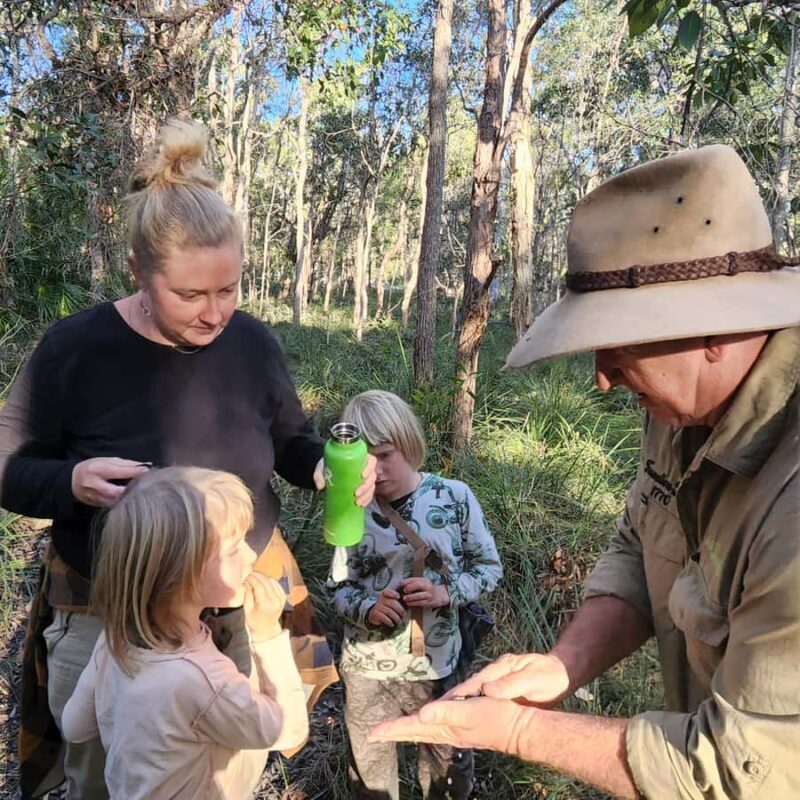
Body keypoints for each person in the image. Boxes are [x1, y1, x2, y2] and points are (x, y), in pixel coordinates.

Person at [369, 144, 800, 799]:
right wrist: (561, 665)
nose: (602, 378)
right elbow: (643, 544)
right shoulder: (680, 405)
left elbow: (743, 772)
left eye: (619, 345)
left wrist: (519, 731)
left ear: (716, 331)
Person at [0, 118, 375, 798]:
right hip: (112, 619)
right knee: (103, 772)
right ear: (138, 272)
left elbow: (290, 441)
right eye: (190, 295)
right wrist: (71, 481)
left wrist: (324, 466)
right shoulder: (75, 349)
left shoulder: (252, 345)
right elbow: (7, 467)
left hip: (234, 602)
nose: (214, 314)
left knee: (227, 772)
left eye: (229, 290)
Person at [61, 466, 308, 799]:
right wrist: (267, 634)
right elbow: (289, 731)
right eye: (233, 548)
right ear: (182, 573)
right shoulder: (200, 679)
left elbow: (74, 727)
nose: (250, 556)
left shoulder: (114, 639)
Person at [326, 390, 502, 800]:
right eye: (363, 460)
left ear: (407, 443)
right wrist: (369, 608)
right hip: (368, 670)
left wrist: (444, 592)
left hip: (438, 666)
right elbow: (336, 587)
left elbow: (489, 569)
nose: (374, 471)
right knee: (370, 778)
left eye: (384, 455)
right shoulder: (351, 508)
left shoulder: (453, 498)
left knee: (448, 771)